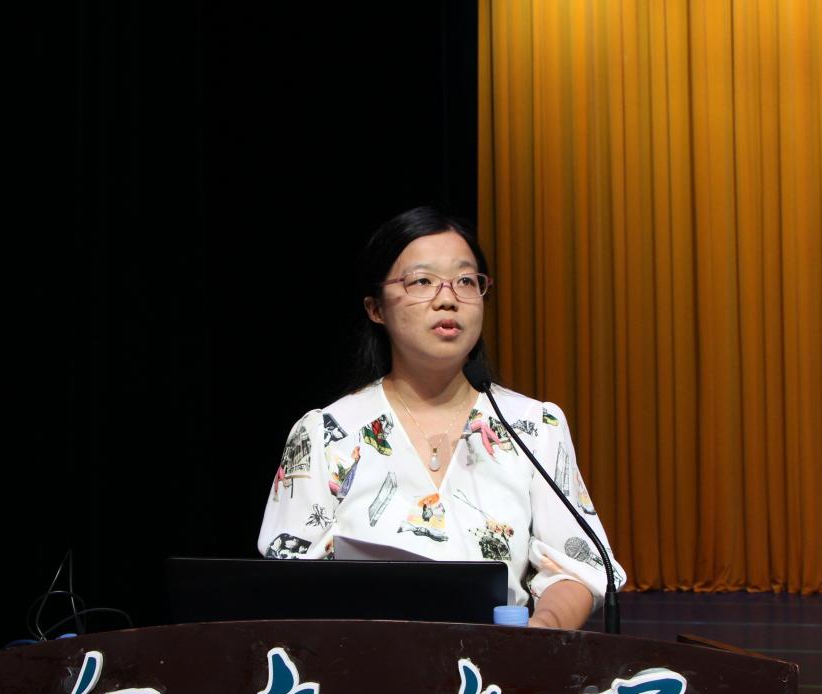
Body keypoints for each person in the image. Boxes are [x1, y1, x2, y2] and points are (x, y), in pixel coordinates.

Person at [257, 207, 625, 629]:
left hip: (496, 662)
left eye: (466, 281)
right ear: (376, 308)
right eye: (422, 281)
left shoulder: (534, 427)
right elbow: (290, 578)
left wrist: (541, 632)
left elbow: (577, 565)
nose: (448, 298)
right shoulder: (327, 435)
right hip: (364, 660)